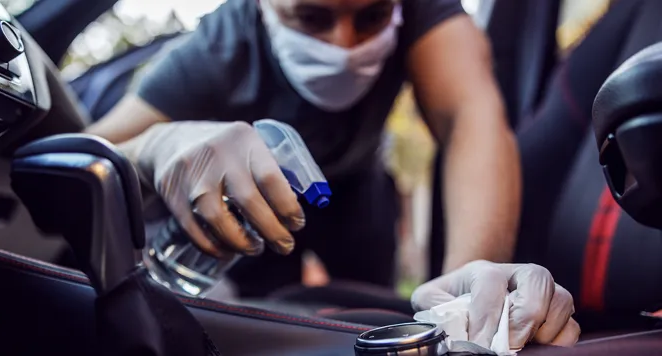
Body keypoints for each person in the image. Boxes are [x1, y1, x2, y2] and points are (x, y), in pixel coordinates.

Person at [85, 0, 578, 348]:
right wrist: (156, 144)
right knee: (260, 311)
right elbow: (93, 151)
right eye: (312, 17)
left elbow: (471, 119)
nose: (345, 43)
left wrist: (474, 290)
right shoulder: (219, 45)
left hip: (359, 188)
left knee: (376, 325)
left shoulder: (424, 12)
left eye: (372, 15)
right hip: (253, 199)